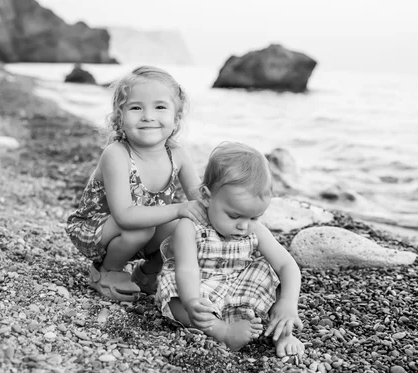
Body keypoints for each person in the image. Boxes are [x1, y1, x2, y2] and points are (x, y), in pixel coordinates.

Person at [66, 66, 207, 302]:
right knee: (145, 227)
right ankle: (106, 271)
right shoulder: (117, 154)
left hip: (142, 229)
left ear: (177, 117)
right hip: (98, 230)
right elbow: (124, 216)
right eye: (136, 108)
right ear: (120, 117)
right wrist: (179, 208)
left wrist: (233, 207)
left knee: (187, 226)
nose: (148, 116)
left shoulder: (177, 154)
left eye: (160, 107)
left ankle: (147, 274)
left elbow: (199, 199)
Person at [155, 142, 305, 357]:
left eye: (254, 217)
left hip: (239, 285)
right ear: (207, 197)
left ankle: (282, 332)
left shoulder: (256, 231)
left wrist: (288, 302)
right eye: (234, 216)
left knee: (270, 273)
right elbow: (186, 270)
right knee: (173, 291)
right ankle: (221, 330)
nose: (244, 226)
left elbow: (286, 264)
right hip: (201, 285)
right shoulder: (190, 227)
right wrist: (192, 302)